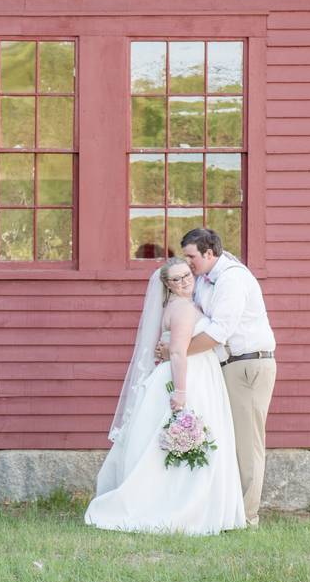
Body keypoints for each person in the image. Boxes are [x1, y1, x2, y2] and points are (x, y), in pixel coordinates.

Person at [84, 257, 246, 535]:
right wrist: (181, 394)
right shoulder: (182, 308)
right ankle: (182, 507)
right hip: (189, 377)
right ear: (167, 285)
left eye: (187, 276)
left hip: (197, 373)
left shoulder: (182, 305)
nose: (185, 282)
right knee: (184, 440)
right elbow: (178, 353)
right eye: (177, 279)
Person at [174, 228, 277, 526]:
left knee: (248, 444)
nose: (188, 262)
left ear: (209, 253)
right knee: (231, 441)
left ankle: (247, 516)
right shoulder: (207, 280)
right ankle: (230, 510)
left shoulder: (232, 279)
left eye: (191, 256)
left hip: (248, 367)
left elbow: (220, 331)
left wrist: (176, 352)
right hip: (230, 367)